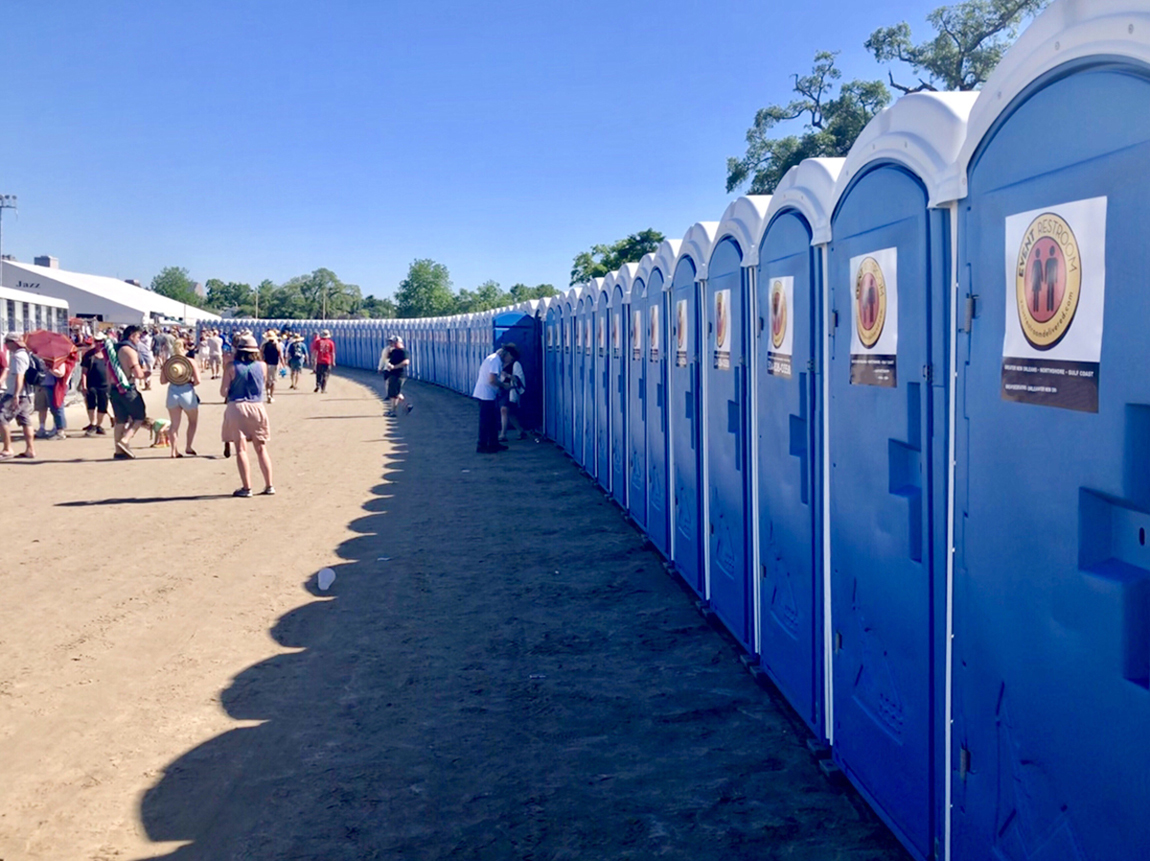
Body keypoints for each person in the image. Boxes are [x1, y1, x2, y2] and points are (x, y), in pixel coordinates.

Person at [220, 334, 274, 497]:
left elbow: (223, 391)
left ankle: (247, 488)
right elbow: (262, 383)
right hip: (257, 406)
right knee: (261, 448)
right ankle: (269, 485)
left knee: (241, 449)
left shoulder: (231, 367)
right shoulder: (263, 366)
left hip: (237, 407)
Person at [105, 325, 148, 459]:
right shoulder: (129, 351)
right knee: (139, 416)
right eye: (138, 336)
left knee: (120, 420)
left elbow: (108, 372)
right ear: (132, 336)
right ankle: (125, 440)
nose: (139, 340)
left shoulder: (114, 350)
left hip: (114, 388)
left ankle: (119, 452)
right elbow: (138, 374)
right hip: (127, 388)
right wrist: (146, 373)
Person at [472, 343, 517, 453]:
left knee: (492, 420)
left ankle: (493, 443)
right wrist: (504, 385)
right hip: (485, 394)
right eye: (510, 359)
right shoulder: (495, 360)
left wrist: (508, 376)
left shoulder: (494, 359)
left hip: (487, 394)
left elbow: (498, 373)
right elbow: (492, 380)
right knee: (486, 421)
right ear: (507, 354)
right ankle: (482, 445)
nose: (510, 362)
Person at [0, 333, 36, 460]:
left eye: (7, 342)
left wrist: (16, 395)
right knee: (25, 420)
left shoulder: (18, 356)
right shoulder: (25, 354)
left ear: (14, 342)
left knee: (2, 417)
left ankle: (7, 449)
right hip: (26, 394)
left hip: (16, 394)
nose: (6, 345)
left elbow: (20, 376)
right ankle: (30, 449)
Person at [161, 355, 201, 458]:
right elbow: (198, 380)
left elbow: (162, 381)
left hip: (172, 393)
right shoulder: (190, 361)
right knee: (192, 421)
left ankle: (173, 451)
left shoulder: (168, 363)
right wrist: (190, 382)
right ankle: (188, 446)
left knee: (174, 425)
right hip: (187, 392)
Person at [34, 356, 70, 440]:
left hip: (55, 386)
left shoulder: (59, 359)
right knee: (53, 409)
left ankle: (60, 431)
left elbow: (60, 373)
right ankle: (56, 429)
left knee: (57, 408)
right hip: (47, 385)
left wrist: (49, 368)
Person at [80, 338, 111, 436]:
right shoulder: (89, 355)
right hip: (91, 384)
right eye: (97, 341)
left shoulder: (108, 354)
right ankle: (92, 424)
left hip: (105, 385)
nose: (99, 343)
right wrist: (84, 385)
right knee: (91, 404)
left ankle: (98, 425)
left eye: (101, 341)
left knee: (103, 405)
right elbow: (84, 372)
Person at [379, 335, 412, 416]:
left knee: (393, 394)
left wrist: (395, 367)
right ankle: (406, 406)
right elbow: (386, 358)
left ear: (399, 342)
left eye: (393, 342)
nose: (392, 344)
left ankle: (394, 411)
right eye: (391, 342)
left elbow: (406, 362)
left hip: (398, 375)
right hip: (392, 374)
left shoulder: (403, 352)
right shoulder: (393, 351)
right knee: (395, 392)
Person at [499, 355, 526, 441]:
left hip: (511, 391)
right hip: (502, 390)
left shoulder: (515, 364)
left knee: (504, 410)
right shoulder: (500, 364)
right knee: (510, 414)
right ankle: (520, 430)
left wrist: (507, 375)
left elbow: (518, 379)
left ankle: (503, 434)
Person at [260, 331, 283, 403]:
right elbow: (280, 355)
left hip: (266, 364)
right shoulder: (277, 345)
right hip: (274, 364)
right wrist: (282, 363)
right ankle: (272, 395)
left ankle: (268, 394)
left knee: (267, 380)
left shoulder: (264, 345)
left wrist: (261, 361)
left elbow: (261, 354)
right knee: (273, 381)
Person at [313, 329, 335, 393]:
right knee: (325, 375)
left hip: (319, 360)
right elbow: (332, 353)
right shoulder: (331, 343)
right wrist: (333, 361)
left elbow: (315, 351)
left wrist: (314, 359)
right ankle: (323, 389)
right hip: (327, 360)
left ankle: (318, 385)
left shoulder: (318, 342)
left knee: (318, 374)